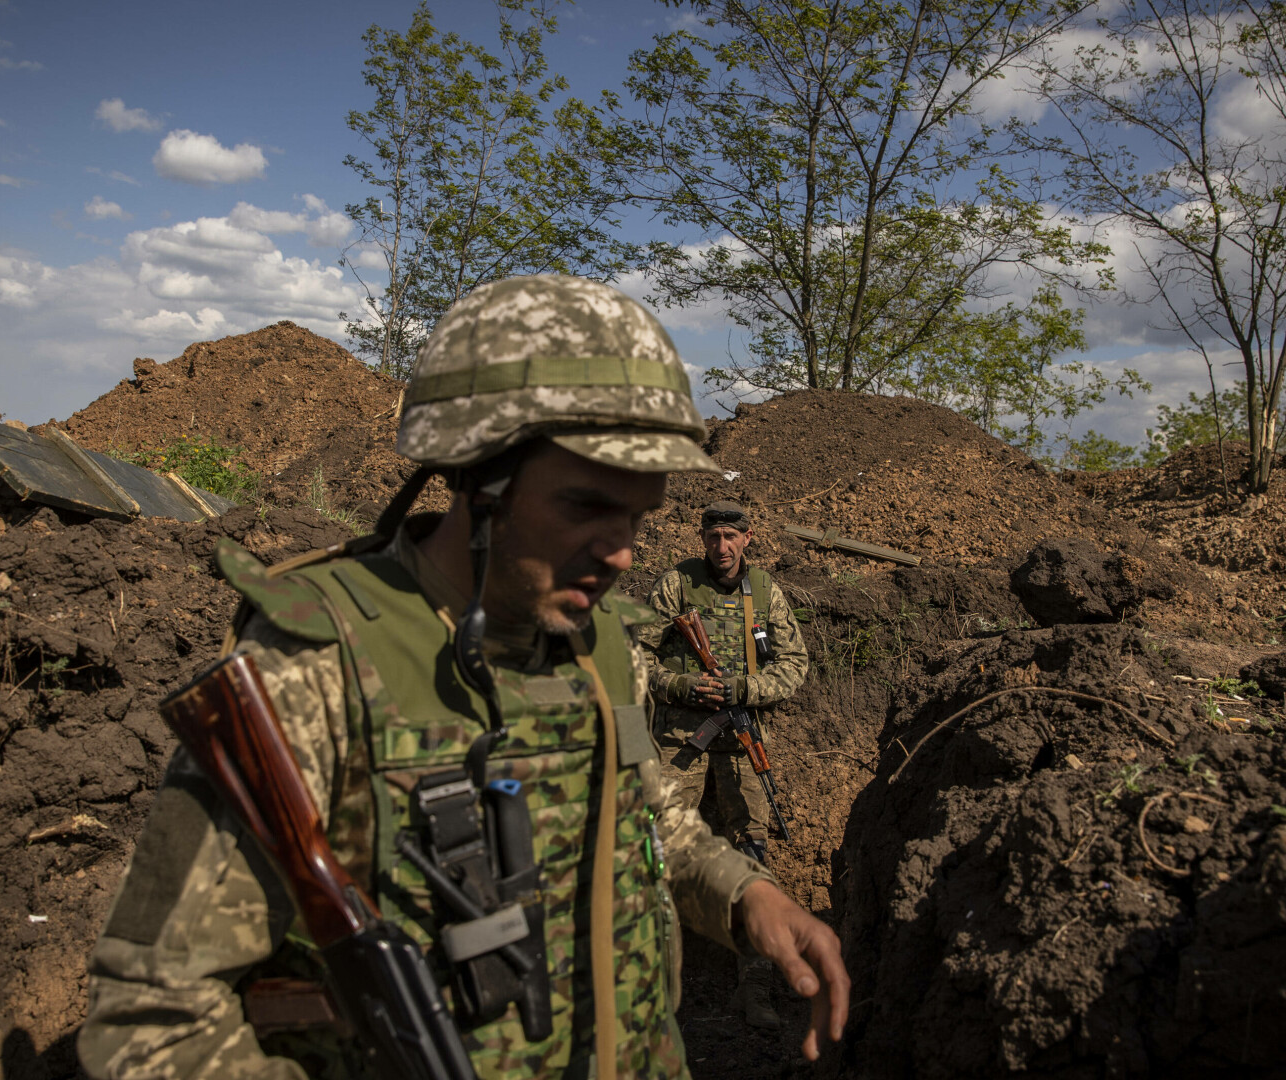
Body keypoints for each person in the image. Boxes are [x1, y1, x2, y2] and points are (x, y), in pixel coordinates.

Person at [76, 275, 847, 1080]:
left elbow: (645, 820)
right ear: (480, 479)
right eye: (586, 507)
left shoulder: (602, 643)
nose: (621, 553)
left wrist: (746, 895)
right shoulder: (317, 664)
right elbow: (153, 1024)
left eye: (638, 517)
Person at [638, 501, 809, 1031]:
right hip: (679, 736)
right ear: (703, 538)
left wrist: (744, 689)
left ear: (749, 538)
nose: (723, 547)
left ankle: (753, 986)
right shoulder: (677, 586)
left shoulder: (766, 591)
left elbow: (795, 663)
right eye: (714, 537)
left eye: (732, 536)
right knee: (655, 848)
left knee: (752, 850)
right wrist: (681, 684)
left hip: (739, 736)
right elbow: (636, 655)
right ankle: (643, 986)